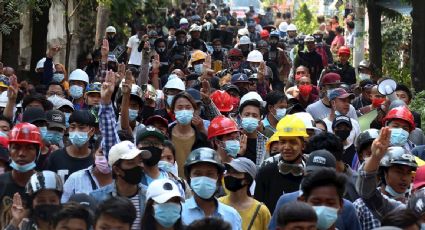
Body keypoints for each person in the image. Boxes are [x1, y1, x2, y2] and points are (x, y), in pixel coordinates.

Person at [268, 149, 361, 230]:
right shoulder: (285, 201)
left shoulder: (348, 209)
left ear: (340, 205)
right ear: (303, 200)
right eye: (316, 202)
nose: (323, 208)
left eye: (330, 203)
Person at [356, 127, 418, 226]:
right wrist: (375, 157)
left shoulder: (417, 204)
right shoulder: (362, 205)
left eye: (408, 172)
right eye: (399, 171)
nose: (404, 178)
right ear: (383, 172)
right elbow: (367, 192)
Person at [90, 141, 151, 230]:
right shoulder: (97, 198)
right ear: (117, 170)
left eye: (140, 161)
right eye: (131, 162)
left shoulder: (150, 197)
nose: (139, 166)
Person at [255, 115, 308, 212]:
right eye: (283, 142)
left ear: (303, 145)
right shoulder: (265, 173)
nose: (287, 147)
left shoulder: (311, 174)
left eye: (293, 142)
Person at [181, 147, 242, 230]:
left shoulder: (232, 215)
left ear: (219, 177)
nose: (203, 179)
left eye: (210, 174)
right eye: (197, 174)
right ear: (189, 177)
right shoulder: (179, 213)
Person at [0, 122, 42, 228]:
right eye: (16, 147)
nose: (21, 153)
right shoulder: (1, 182)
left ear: (38, 152)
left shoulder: (45, 185)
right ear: (9, 151)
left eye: (29, 148)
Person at [219, 158, 271, 229]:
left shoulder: (261, 211)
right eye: (228, 171)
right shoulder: (217, 204)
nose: (229, 175)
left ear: (247, 180)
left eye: (235, 172)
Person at [46, 110, 97, 182]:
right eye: (72, 127)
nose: (76, 131)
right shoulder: (55, 157)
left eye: (81, 128)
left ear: (92, 131)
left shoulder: (96, 160)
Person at [169, 92, 210, 176]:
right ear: (173, 110)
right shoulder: (166, 135)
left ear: (193, 110)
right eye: (180, 108)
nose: (184, 111)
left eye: (188, 107)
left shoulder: (201, 137)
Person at [61, 137, 112, 202]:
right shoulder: (75, 179)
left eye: (110, 153)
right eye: (101, 152)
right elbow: (64, 205)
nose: (106, 157)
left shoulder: (121, 181)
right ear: (94, 154)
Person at [237, 92, 268, 167]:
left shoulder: (267, 143)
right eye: (247, 115)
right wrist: (239, 154)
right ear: (240, 116)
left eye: (254, 115)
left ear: (260, 119)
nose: (250, 118)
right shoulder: (233, 139)